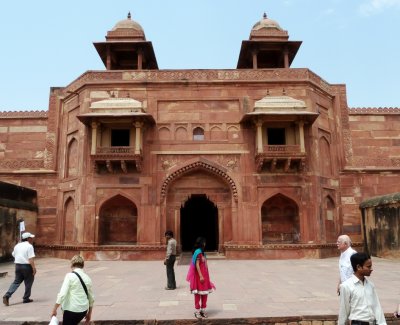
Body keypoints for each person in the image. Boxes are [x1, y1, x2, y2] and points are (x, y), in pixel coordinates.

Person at [338, 252, 386, 325]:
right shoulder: (346, 286)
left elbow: (377, 307)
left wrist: (382, 323)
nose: (371, 269)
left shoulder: (370, 285)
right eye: (368, 266)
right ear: (358, 267)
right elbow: (343, 311)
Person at [51, 255, 94, 325]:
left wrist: (54, 309)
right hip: (83, 311)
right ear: (82, 265)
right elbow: (91, 298)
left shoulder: (69, 276)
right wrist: (89, 314)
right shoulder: (87, 278)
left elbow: (62, 294)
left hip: (71, 310)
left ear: (72, 264)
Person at [3, 232, 36, 306]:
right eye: (31, 238)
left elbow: (14, 254)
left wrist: (20, 259)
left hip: (18, 266)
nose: (32, 239)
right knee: (28, 282)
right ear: (28, 239)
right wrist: (34, 268)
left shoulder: (17, 245)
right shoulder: (29, 246)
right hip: (27, 266)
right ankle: (26, 298)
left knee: (16, 282)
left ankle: (7, 295)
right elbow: (31, 259)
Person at [186, 237, 215, 319]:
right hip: (199, 277)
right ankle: (197, 311)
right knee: (198, 293)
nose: (205, 244)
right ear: (202, 243)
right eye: (204, 242)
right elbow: (197, 264)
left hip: (205, 276)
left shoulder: (203, 252)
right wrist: (201, 276)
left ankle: (203, 310)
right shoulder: (198, 252)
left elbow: (205, 264)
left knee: (205, 293)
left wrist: (206, 275)